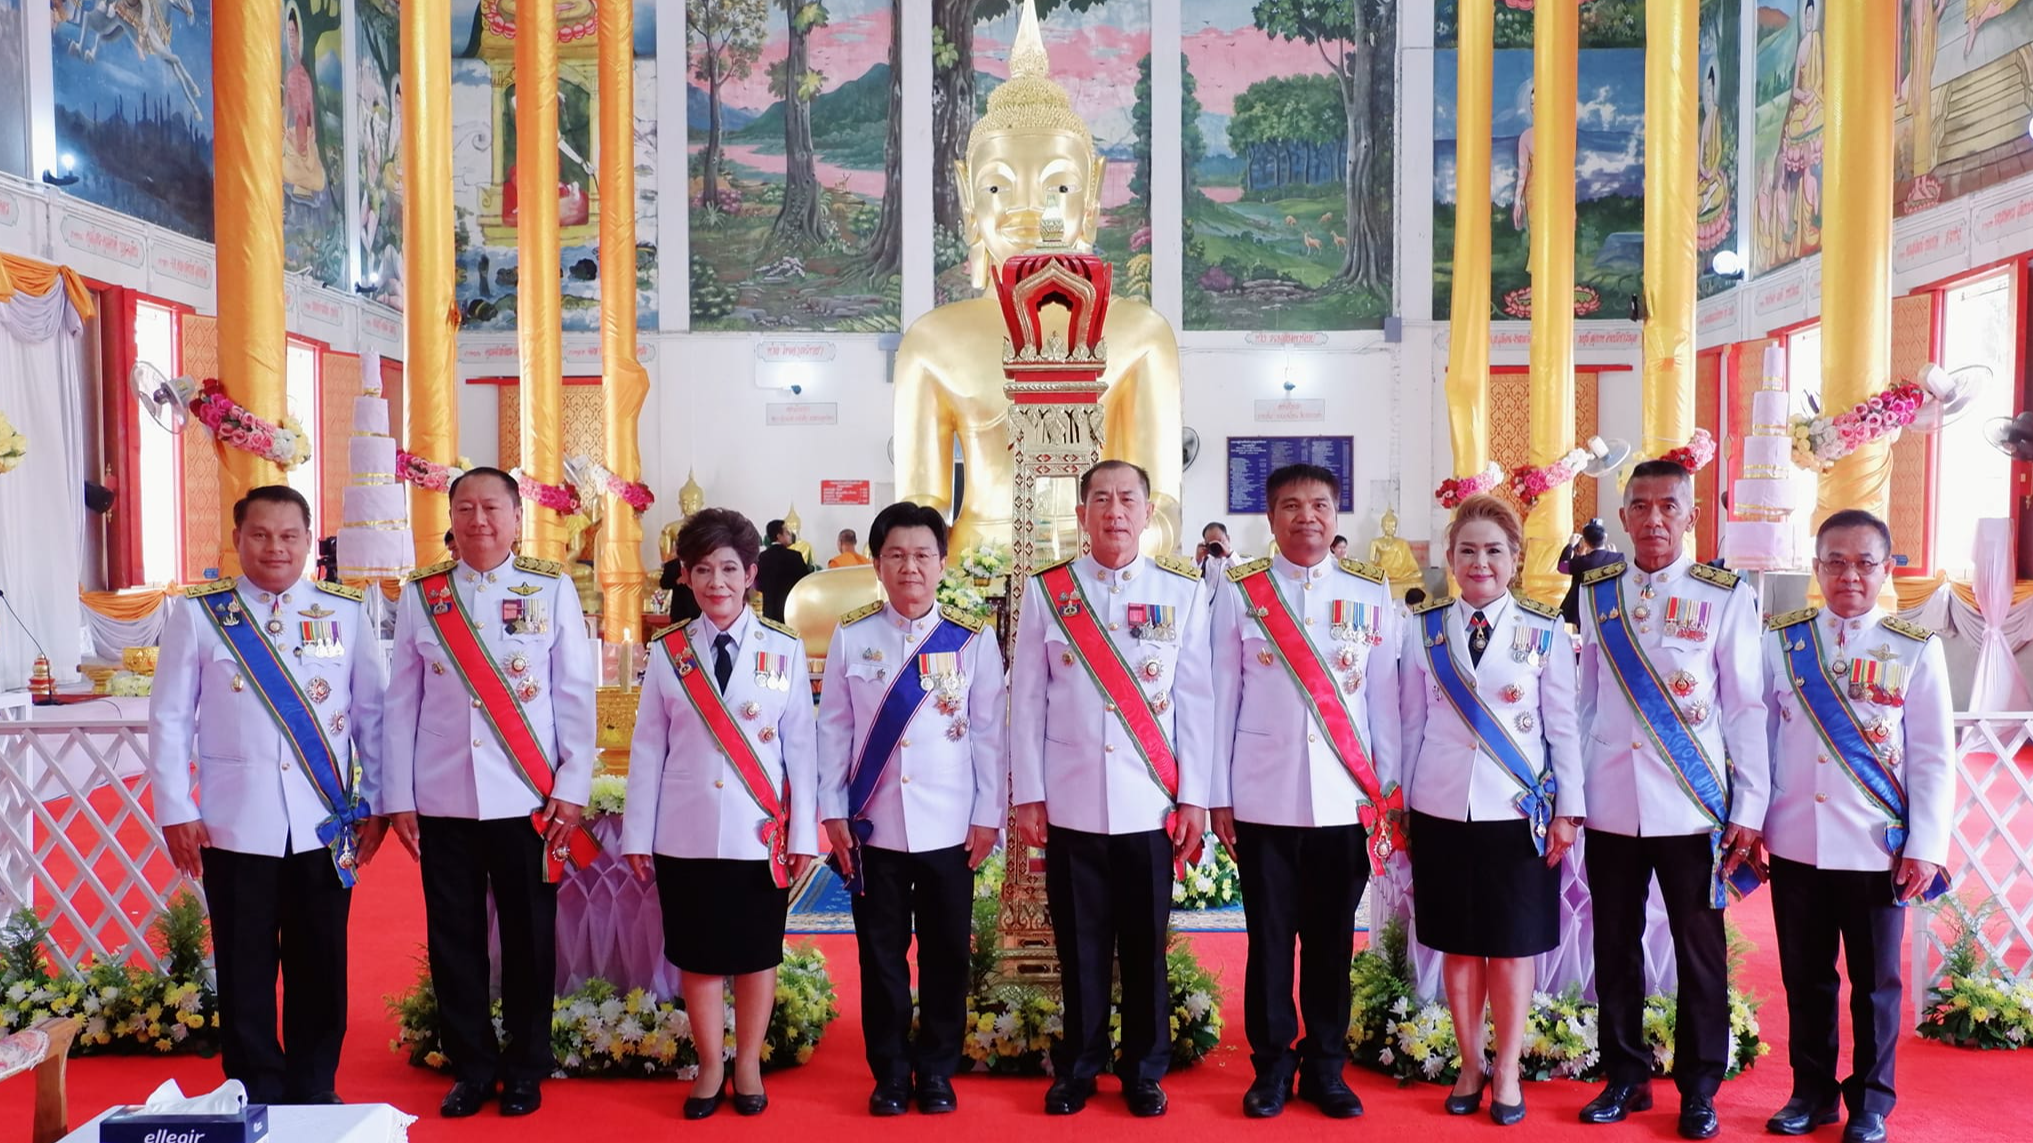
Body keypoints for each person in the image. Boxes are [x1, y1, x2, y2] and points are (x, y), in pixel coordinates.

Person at [147, 485, 387, 1106]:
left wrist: (379, 804)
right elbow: (171, 719)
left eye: (289, 536)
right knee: (245, 964)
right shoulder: (199, 614)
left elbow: (372, 717)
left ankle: (313, 1085)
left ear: (310, 542)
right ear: (237, 541)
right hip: (234, 823)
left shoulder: (346, 610)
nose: (275, 548)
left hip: (323, 824)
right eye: (260, 535)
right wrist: (177, 808)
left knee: (320, 964)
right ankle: (254, 1087)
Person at [381, 467, 597, 1119]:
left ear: (516, 517)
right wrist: (399, 795)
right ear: (451, 516)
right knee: (454, 937)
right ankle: (472, 1064)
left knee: (532, 937)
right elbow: (401, 702)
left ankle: (528, 1064)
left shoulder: (549, 585)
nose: (479, 520)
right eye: (466, 508)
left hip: (527, 800)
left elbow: (573, 693)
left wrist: (572, 783)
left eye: (492, 508)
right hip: (444, 798)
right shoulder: (424, 593)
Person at [1011, 460, 1213, 1118]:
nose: (1115, 511)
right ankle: (1081, 1063)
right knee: (1081, 943)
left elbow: (1195, 702)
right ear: (1081, 513)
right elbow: (1028, 699)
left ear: (1147, 511)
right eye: (1101, 499)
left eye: (1127, 498)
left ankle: (1143, 1067)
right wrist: (1029, 792)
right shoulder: (1048, 591)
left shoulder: (1179, 592)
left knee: (1144, 946)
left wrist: (1194, 797)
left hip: (1148, 802)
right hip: (1070, 799)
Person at [1576, 459, 1770, 1140]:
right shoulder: (1596, 590)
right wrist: (1574, 792)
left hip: (1691, 807)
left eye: (1668, 506)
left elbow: (1745, 707)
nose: (1653, 518)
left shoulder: (1724, 595)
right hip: (1609, 801)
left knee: (1698, 950)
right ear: (1622, 515)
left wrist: (1749, 805)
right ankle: (1623, 1073)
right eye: (1640, 505)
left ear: (1690, 515)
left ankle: (1698, 1086)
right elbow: (1585, 701)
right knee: (1614, 944)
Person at [1209, 464, 1401, 1120]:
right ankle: (1270, 1066)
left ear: (1335, 512)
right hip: (1261, 800)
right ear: (1269, 518)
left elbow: (1384, 706)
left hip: (1342, 800)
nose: (1305, 517)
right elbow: (1219, 698)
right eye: (1290, 505)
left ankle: (1324, 1064)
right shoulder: (1240, 593)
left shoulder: (1369, 590)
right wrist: (1216, 794)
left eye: (1318, 504)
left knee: (1328, 940)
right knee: (1267, 939)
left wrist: (1388, 794)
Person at [1759, 510, 1951, 1143]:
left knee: (1875, 985)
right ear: (1816, 569)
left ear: (1887, 568)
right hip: (1796, 840)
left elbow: (1930, 757)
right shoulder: (1782, 641)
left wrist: (1924, 846)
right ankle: (1811, 1093)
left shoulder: (1913, 649)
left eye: (1865, 562)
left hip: (1876, 847)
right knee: (1805, 977)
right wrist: (1753, 822)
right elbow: (1759, 741)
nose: (1850, 575)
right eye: (1835, 562)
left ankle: (1870, 1102)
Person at [622, 508, 816, 1120]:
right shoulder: (667, 653)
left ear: (752, 574)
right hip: (684, 832)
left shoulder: (782, 650)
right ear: (685, 575)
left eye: (729, 568)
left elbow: (801, 752)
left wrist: (805, 833)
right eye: (702, 569)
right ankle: (710, 1065)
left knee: (758, 954)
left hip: (759, 835)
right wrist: (637, 835)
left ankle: (749, 1064)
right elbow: (648, 747)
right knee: (699, 956)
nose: (717, 583)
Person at [1399, 494, 1583, 1126]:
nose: (1480, 562)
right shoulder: (1422, 630)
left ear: (1516, 559)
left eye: (1494, 551)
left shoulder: (1544, 630)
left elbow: (1563, 728)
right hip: (1441, 806)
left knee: (1509, 948)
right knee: (1458, 946)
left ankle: (1506, 1067)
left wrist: (1569, 810)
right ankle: (1469, 1061)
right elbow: (1409, 725)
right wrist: (1399, 807)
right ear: (1450, 558)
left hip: (1517, 813)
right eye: (1468, 550)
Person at [817, 502, 1007, 1117]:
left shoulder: (972, 638)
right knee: (880, 955)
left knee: (947, 952)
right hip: (877, 827)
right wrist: (832, 810)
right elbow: (834, 731)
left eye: (923, 554)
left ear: (943, 563)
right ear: (877, 564)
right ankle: (891, 1071)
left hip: (951, 827)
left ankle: (937, 1069)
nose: (910, 567)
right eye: (896, 554)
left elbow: (989, 735)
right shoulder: (853, 633)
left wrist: (988, 816)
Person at [1558, 519, 1619, 627]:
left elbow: (1562, 567)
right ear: (1605, 537)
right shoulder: (1617, 558)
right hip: (1608, 608)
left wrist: (1570, 545)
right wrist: (1613, 555)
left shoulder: (1582, 562)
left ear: (1585, 542)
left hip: (1583, 609)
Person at [756, 519, 811, 622]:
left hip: (769, 613)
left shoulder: (762, 557)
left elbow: (759, 585)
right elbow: (805, 583)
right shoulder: (795, 556)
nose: (790, 535)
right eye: (787, 532)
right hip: (791, 612)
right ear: (779, 536)